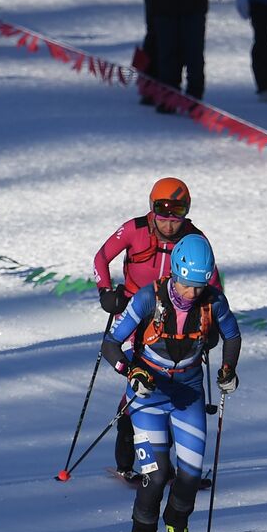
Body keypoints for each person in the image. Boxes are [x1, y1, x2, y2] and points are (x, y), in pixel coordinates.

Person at [100, 235, 241, 532]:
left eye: (200, 286)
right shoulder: (148, 299)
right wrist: (130, 371)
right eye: (188, 285)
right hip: (149, 393)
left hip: (189, 392)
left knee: (191, 474)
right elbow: (111, 344)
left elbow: (232, 336)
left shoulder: (213, 301)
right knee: (156, 473)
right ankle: (143, 531)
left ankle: (176, 523)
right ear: (175, 274)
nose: (193, 294)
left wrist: (228, 371)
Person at [92, 177, 220, 480]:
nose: (169, 223)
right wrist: (105, 291)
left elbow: (212, 284)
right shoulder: (135, 229)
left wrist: (210, 322)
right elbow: (100, 258)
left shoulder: (195, 239)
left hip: (178, 322)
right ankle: (130, 461)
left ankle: (170, 464)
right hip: (137, 314)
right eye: (163, 215)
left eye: (177, 216)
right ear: (153, 209)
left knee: (175, 390)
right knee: (139, 383)